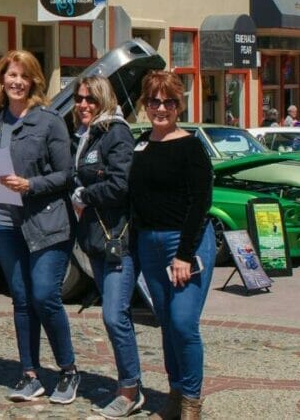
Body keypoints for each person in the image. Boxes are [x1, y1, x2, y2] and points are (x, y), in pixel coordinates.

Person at [0, 51, 78, 404]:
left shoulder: (49, 121)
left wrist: (30, 185)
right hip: (4, 224)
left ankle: (68, 370)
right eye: (11, 75)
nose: (17, 82)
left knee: (44, 296)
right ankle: (30, 374)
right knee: (21, 300)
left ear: (34, 80)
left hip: (45, 222)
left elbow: (66, 174)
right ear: (1, 79)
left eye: (24, 76)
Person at [128, 71, 214, 420]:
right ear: (145, 105)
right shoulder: (141, 144)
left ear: (179, 105)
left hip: (185, 243)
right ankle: (175, 394)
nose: (160, 108)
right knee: (166, 322)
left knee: (182, 322)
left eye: (168, 102)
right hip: (149, 244)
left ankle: (192, 400)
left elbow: (200, 202)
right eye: (154, 101)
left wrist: (184, 254)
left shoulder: (191, 146)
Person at [71, 75, 142, 417]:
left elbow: (121, 185)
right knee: (112, 316)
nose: (83, 104)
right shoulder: (88, 136)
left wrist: (85, 194)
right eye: (79, 98)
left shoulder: (116, 133)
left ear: (104, 101)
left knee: (115, 317)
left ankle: (129, 390)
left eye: (90, 99)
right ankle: (127, 383)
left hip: (118, 240)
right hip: (96, 241)